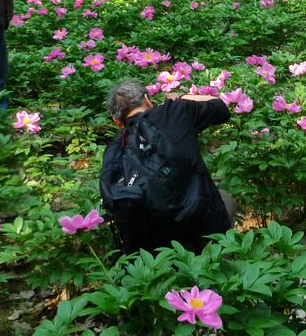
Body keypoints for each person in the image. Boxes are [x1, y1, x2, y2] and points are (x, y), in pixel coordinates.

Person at [101, 79, 237, 254]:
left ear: (117, 121)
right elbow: (221, 109)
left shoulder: (114, 149)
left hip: (155, 249)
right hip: (205, 227)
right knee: (225, 198)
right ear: (147, 100)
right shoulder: (175, 111)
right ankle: (222, 260)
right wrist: (181, 97)